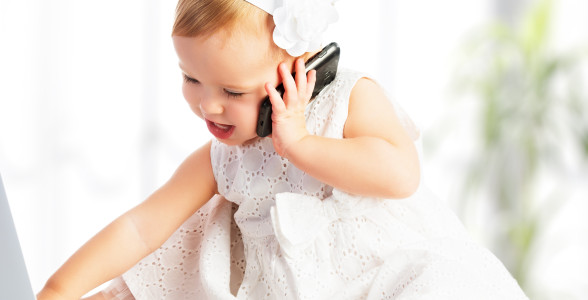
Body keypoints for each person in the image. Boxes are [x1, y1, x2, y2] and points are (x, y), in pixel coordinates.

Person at [38, 0, 529, 299]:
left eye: (232, 92)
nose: (208, 105)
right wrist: (58, 289)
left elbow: (400, 174)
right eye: (190, 78)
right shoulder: (223, 160)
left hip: (380, 280)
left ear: (300, 66)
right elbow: (140, 227)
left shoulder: (346, 100)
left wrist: (300, 143)